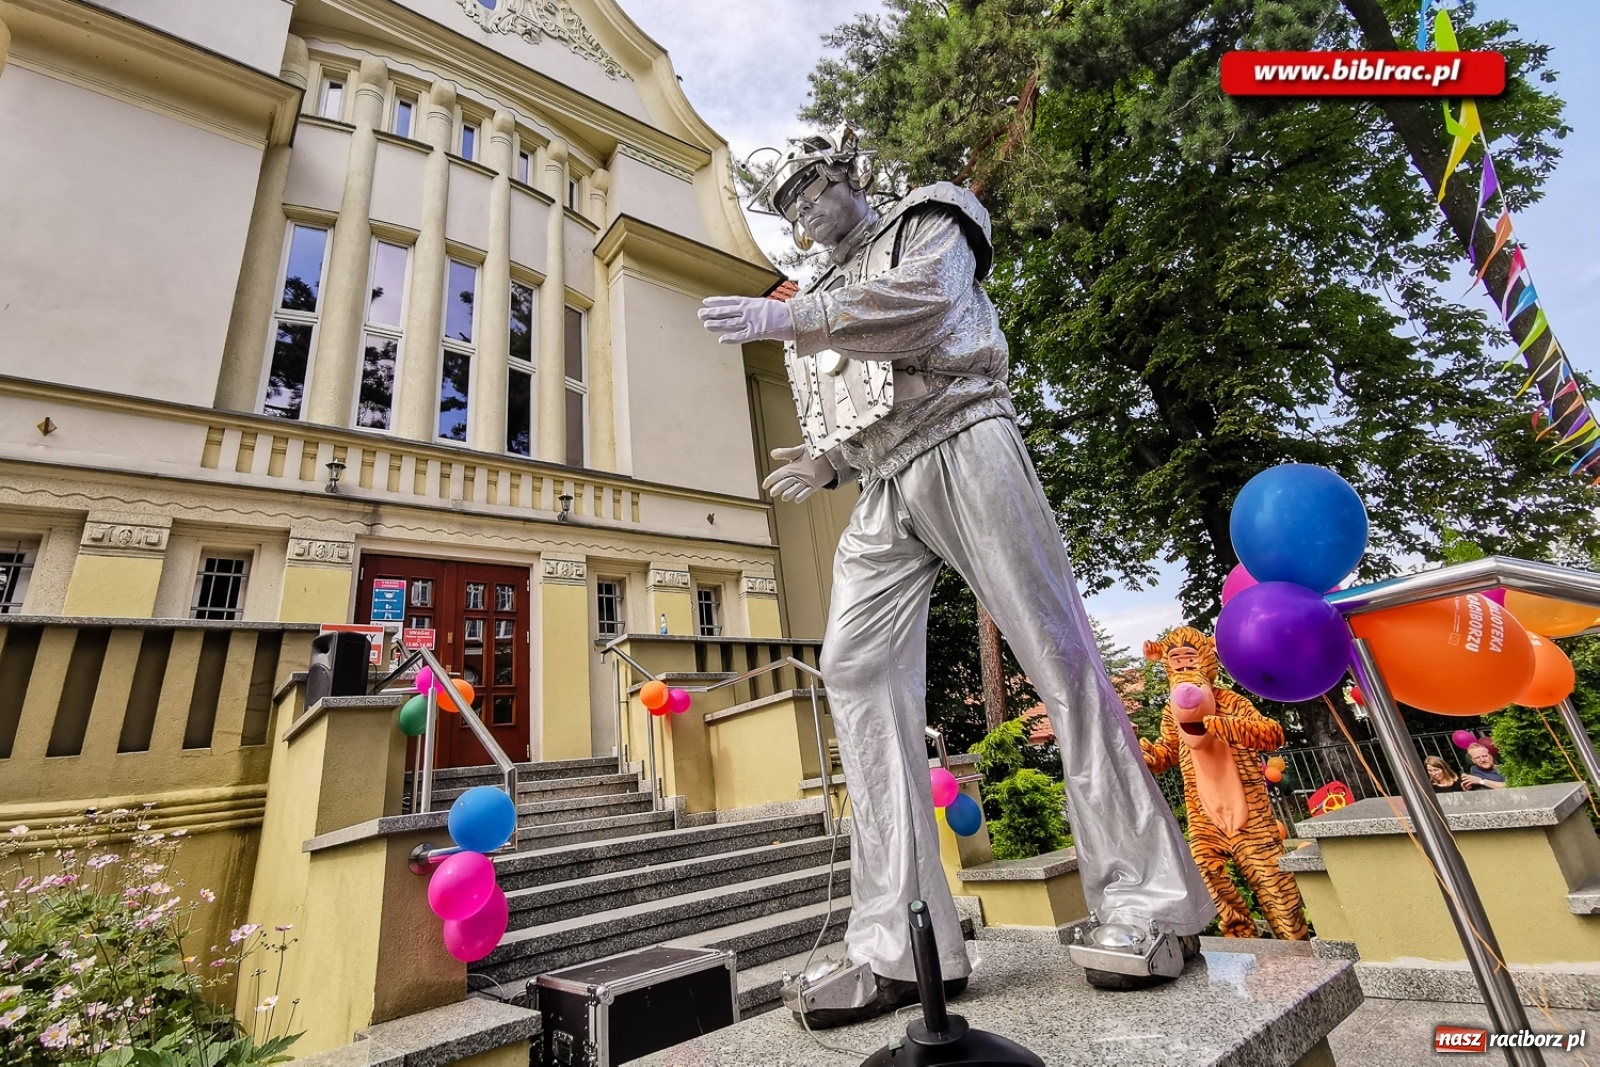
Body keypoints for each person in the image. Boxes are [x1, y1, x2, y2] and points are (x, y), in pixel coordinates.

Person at [698, 129, 1214, 1028]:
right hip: (885, 477)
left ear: (843, 175)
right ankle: (904, 944)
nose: (802, 212)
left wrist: (791, 319)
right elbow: (855, 390)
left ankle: (1151, 904)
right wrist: (828, 461)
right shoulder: (821, 287)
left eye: (808, 189)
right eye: (785, 204)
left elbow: (927, 305)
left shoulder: (931, 215)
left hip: (966, 434)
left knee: (1054, 652)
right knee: (855, 670)